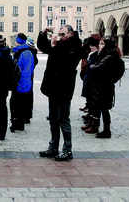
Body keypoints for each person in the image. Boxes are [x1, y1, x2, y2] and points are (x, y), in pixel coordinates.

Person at [37, 25, 82, 161]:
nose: (61, 36)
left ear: (70, 34)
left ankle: (67, 150)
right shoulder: (60, 44)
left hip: (64, 88)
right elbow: (43, 47)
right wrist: (43, 33)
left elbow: (65, 60)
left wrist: (56, 46)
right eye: (60, 34)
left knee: (63, 119)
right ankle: (53, 147)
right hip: (53, 87)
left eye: (63, 34)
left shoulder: (75, 46)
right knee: (53, 119)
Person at [87, 39, 122, 138]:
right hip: (103, 85)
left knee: (104, 109)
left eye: (102, 44)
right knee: (103, 108)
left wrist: (92, 67)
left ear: (107, 46)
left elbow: (99, 67)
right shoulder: (107, 54)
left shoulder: (109, 56)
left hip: (104, 86)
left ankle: (106, 131)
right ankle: (104, 129)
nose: (100, 46)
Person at [10, 33, 36, 132]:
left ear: (19, 42)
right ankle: (16, 123)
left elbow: (26, 71)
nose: (14, 43)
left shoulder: (25, 53)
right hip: (18, 83)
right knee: (16, 104)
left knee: (18, 104)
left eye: (16, 41)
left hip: (21, 83)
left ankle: (18, 124)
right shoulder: (20, 51)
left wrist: (21, 84)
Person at [80, 36, 101, 133]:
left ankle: (95, 125)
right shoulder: (92, 54)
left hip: (95, 84)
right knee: (91, 104)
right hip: (90, 82)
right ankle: (91, 123)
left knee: (96, 106)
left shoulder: (97, 55)